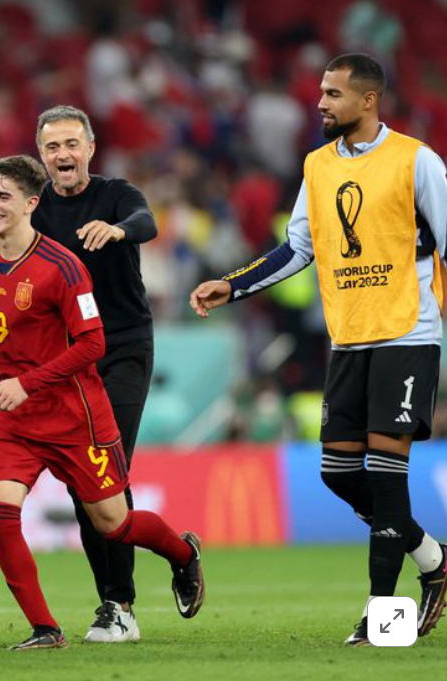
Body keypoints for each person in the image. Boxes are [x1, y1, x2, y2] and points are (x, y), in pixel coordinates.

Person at [190, 53, 447, 646]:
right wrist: (233, 285)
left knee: (387, 475)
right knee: (337, 472)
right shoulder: (317, 164)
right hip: (348, 336)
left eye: (333, 94)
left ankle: (382, 616)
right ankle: (435, 559)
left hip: (407, 331)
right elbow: (297, 248)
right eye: (322, 92)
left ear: (368, 100)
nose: (321, 102)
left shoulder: (417, 160)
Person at [0, 155, 203, 651]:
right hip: (16, 418)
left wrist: (28, 383)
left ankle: (182, 554)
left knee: (114, 523)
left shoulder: (63, 267)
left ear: (30, 204)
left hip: (74, 415)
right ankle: (45, 628)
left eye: (3, 196)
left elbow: (92, 343)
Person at [0, 105, 157, 643]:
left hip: (119, 349)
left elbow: (147, 222)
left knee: (109, 480)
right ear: (41, 155)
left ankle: (119, 605)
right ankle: (125, 593)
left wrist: (118, 231)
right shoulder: (33, 202)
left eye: (72, 143)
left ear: (90, 149)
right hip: (64, 364)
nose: (63, 154)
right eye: (52, 146)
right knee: (83, 491)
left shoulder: (116, 194)